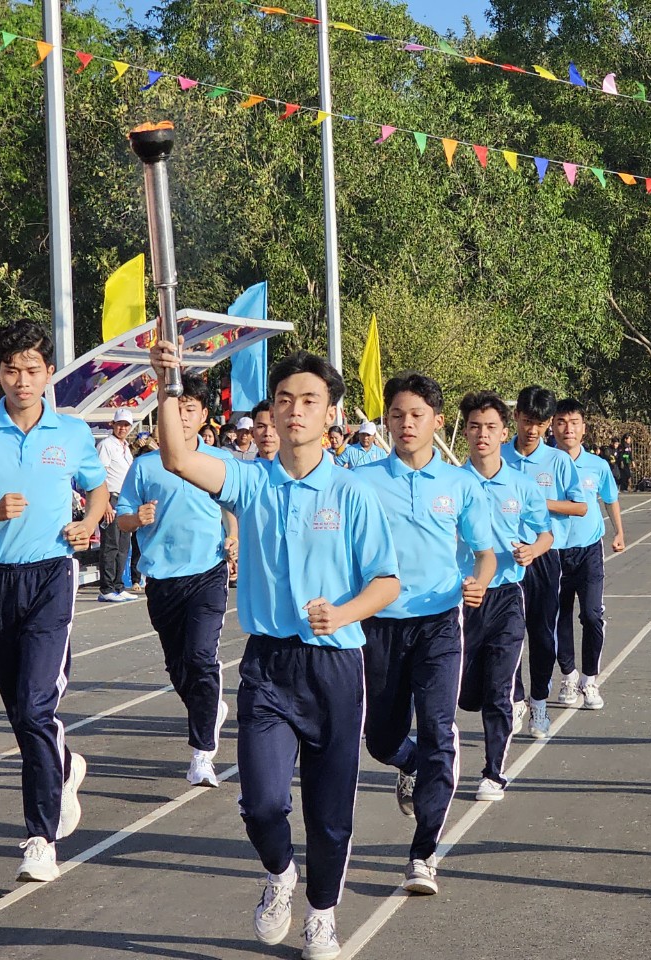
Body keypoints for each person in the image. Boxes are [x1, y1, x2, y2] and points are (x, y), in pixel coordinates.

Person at [150, 339, 399, 960]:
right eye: (285, 400)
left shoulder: (354, 493)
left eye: (309, 401)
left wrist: (341, 611)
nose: (295, 411)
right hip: (268, 664)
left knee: (330, 810)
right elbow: (179, 456)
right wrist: (167, 382)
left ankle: (321, 914)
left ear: (330, 415)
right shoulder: (250, 481)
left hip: (337, 666)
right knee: (262, 801)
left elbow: (387, 581)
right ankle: (279, 873)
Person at [0, 320, 108, 882]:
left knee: (36, 706)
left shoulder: (71, 432)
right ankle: (62, 765)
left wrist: (88, 520)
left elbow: (98, 487)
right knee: (20, 711)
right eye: (12, 369)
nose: (23, 379)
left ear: (49, 373)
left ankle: (39, 835)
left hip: (52, 577)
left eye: (33, 369)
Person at [352, 372, 495, 896]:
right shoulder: (363, 481)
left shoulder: (460, 485)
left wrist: (477, 583)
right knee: (380, 738)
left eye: (417, 415)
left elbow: (484, 552)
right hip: (380, 623)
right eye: (397, 415)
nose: (406, 424)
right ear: (386, 419)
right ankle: (406, 761)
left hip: (439, 622)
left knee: (439, 729)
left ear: (437, 422)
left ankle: (424, 851)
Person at [117, 375, 239, 788]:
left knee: (202, 658)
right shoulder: (145, 465)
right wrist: (138, 519)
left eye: (191, 409)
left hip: (208, 571)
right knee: (179, 667)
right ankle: (208, 707)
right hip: (162, 577)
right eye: (176, 408)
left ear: (204, 415)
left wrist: (234, 535)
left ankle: (202, 754)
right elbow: (121, 516)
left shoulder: (219, 461)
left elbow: (233, 504)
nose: (183, 417)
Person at [455, 391, 553, 803]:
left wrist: (533, 549)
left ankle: (493, 772)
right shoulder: (451, 482)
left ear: (503, 431)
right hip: (461, 599)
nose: (482, 434)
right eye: (475, 426)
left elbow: (545, 532)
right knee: (462, 694)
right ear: (465, 431)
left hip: (507, 597)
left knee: (498, 690)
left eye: (490, 427)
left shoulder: (522, 485)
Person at [502, 386, 587, 740]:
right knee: (506, 636)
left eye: (540, 424)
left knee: (540, 633)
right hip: (502, 559)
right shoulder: (497, 455)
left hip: (544, 556)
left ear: (548, 424)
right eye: (526, 421)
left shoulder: (558, 461)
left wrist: (539, 503)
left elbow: (580, 506)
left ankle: (539, 701)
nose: (532, 430)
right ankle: (516, 697)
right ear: (515, 418)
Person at [550, 399, 625, 710]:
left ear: (583, 427)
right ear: (552, 426)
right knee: (558, 618)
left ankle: (589, 679)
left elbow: (610, 499)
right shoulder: (544, 463)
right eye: (562, 422)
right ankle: (568, 675)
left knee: (592, 615)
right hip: (552, 550)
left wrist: (619, 531)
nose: (568, 428)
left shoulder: (598, 465)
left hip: (589, 550)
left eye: (574, 422)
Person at [96, 408, 137, 603]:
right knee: (110, 544)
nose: (123, 428)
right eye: (120, 424)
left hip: (124, 500)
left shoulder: (125, 447)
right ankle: (107, 587)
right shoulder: (106, 445)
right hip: (111, 498)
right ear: (113, 424)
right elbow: (100, 475)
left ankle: (118, 585)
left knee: (123, 545)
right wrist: (104, 503)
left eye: (126, 425)